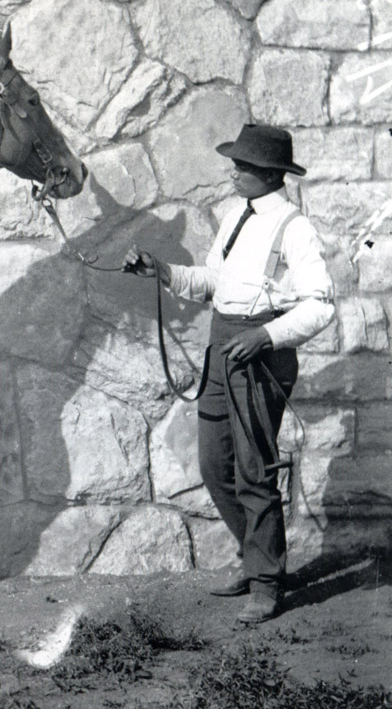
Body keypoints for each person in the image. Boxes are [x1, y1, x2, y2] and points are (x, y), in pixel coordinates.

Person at [124, 124, 335, 624]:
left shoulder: (295, 228)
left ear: (268, 173)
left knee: (253, 470)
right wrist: (164, 271)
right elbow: (215, 281)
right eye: (236, 164)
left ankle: (266, 584)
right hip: (222, 348)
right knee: (214, 466)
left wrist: (265, 337)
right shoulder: (235, 215)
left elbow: (320, 305)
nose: (234, 172)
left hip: (261, 354)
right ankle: (256, 557)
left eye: (242, 166)